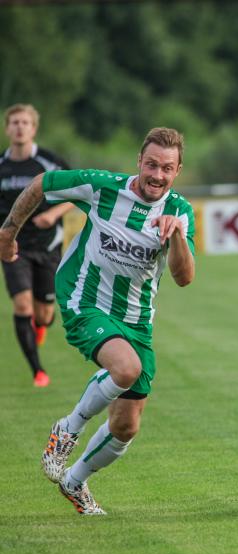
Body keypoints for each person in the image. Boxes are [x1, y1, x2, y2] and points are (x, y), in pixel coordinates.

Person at [0, 127, 196, 514]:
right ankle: (67, 430)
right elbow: (42, 183)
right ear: (139, 162)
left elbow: (184, 277)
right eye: (152, 164)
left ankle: (75, 481)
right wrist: (8, 231)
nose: (158, 175)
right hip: (83, 300)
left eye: (167, 168)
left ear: (177, 171)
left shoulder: (180, 212)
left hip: (136, 321)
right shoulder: (104, 188)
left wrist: (175, 237)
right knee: (125, 368)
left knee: (126, 426)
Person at [0, 104, 72, 386]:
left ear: (34, 128)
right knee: (22, 304)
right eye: (14, 122)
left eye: (25, 122)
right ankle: (38, 370)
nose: (19, 127)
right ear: (7, 128)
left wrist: (53, 214)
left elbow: (77, 195)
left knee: (44, 313)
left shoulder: (50, 163)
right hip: (13, 247)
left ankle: (40, 325)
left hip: (47, 245)